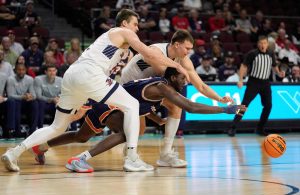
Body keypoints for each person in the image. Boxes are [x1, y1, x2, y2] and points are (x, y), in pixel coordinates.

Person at [1, 9, 189, 172]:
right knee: (132, 104)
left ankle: (14, 152)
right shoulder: (122, 31)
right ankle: (132, 159)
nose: (137, 28)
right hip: (89, 73)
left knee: (57, 127)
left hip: (74, 75)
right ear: (125, 23)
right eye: (135, 24)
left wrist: (84, 102)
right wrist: (178, 67)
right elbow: (148, 53)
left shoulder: (118, 46)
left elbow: (106, 73)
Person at [31, 68, 245, 172]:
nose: (186, 80)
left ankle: (42, 146)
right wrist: (225, 110)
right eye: (183, 77)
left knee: (81, 136)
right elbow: (191, 106)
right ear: (172, 78)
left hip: (106, 104)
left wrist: (157, 120)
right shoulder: (162, 87)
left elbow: (141, 105)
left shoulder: (159, 89)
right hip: (109, 104)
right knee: (125, 134)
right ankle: (79, 159)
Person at [120, 30, 233, 168]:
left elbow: (201, 86)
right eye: (187, 48)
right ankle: (130, 155)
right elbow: (165, 81)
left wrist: (219, 98)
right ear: (177, 45)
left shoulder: (183, 60)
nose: (189, 52)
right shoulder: (156, 51)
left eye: (191, 49)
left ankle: (165, 155)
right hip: (128, 88)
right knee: (140, 129)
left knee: (176, 106)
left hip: (147, 88)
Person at [227, 36, 285, 137]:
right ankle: (233, 127)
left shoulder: (271, 53)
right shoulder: (252, 54)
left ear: (267, 44)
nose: (263, 45)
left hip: (265, 83)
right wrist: (240, 80)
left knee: (268, 105)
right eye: (261, 43)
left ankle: (260, 128)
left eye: (264, 43)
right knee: (244, 105)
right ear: (258, 44)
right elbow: (243, 66)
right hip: (254, 82)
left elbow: (274, 66)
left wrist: (279, 73)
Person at [6, 63, 39, 137]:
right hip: (15, 102)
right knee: (14, 103)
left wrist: (30, 96)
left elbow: (34, 95)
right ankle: (16, 131)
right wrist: (23, 97)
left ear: (25, 70)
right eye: (19, 70)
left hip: (25, 102)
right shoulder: (11, 79)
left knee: (35, 103)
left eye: (23, 70)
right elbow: (10, 95)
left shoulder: (29, 79)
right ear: (15, 71)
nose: (21, 72)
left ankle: (33, 131)